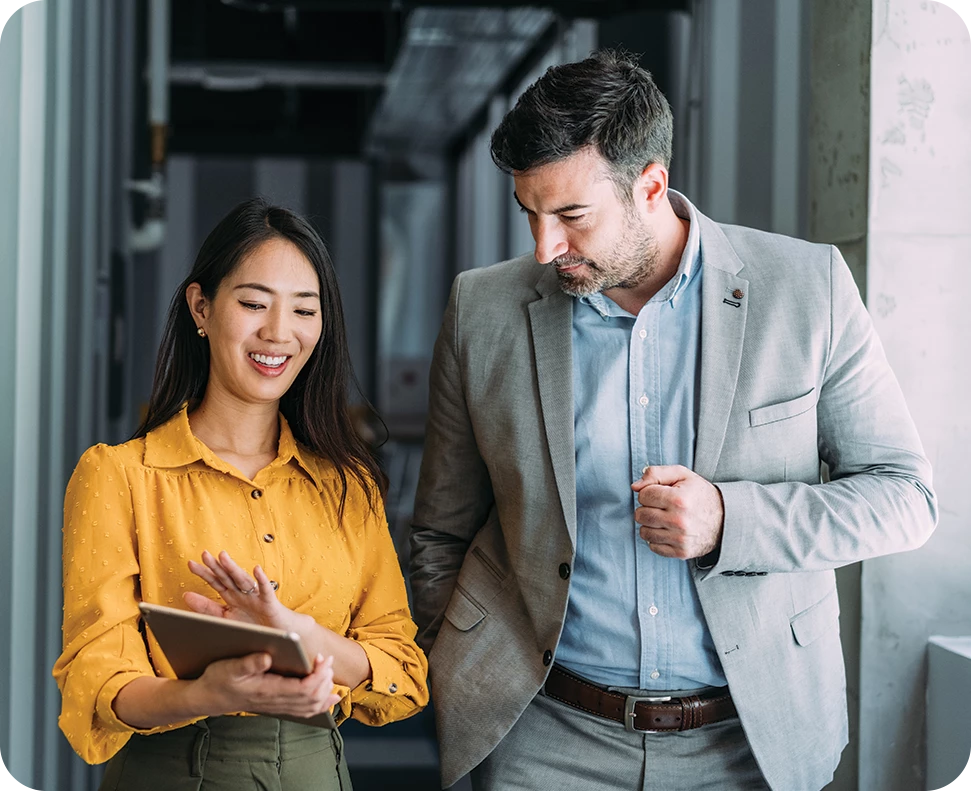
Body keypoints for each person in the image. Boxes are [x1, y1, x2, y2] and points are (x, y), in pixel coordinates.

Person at [409, 50, 937, 791]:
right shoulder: (482, 308)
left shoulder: (804, 289)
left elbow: (904, 498)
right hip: (543, 738)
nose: (543, 247)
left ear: (650, 184)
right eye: (529, 213)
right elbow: (440, 528)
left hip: (748, 742)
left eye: (570, 215)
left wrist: (730, 519)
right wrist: (451, 652)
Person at [54, 198, 428, 790]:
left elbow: (403, 675)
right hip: (174, 768)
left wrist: (302, 635)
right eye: (253, 304)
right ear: (201, 307)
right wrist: (204, 693)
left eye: (304, 310)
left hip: (315, 772)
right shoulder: (120, 477)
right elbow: (97, 682)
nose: (279, 333)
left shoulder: (347, 486)